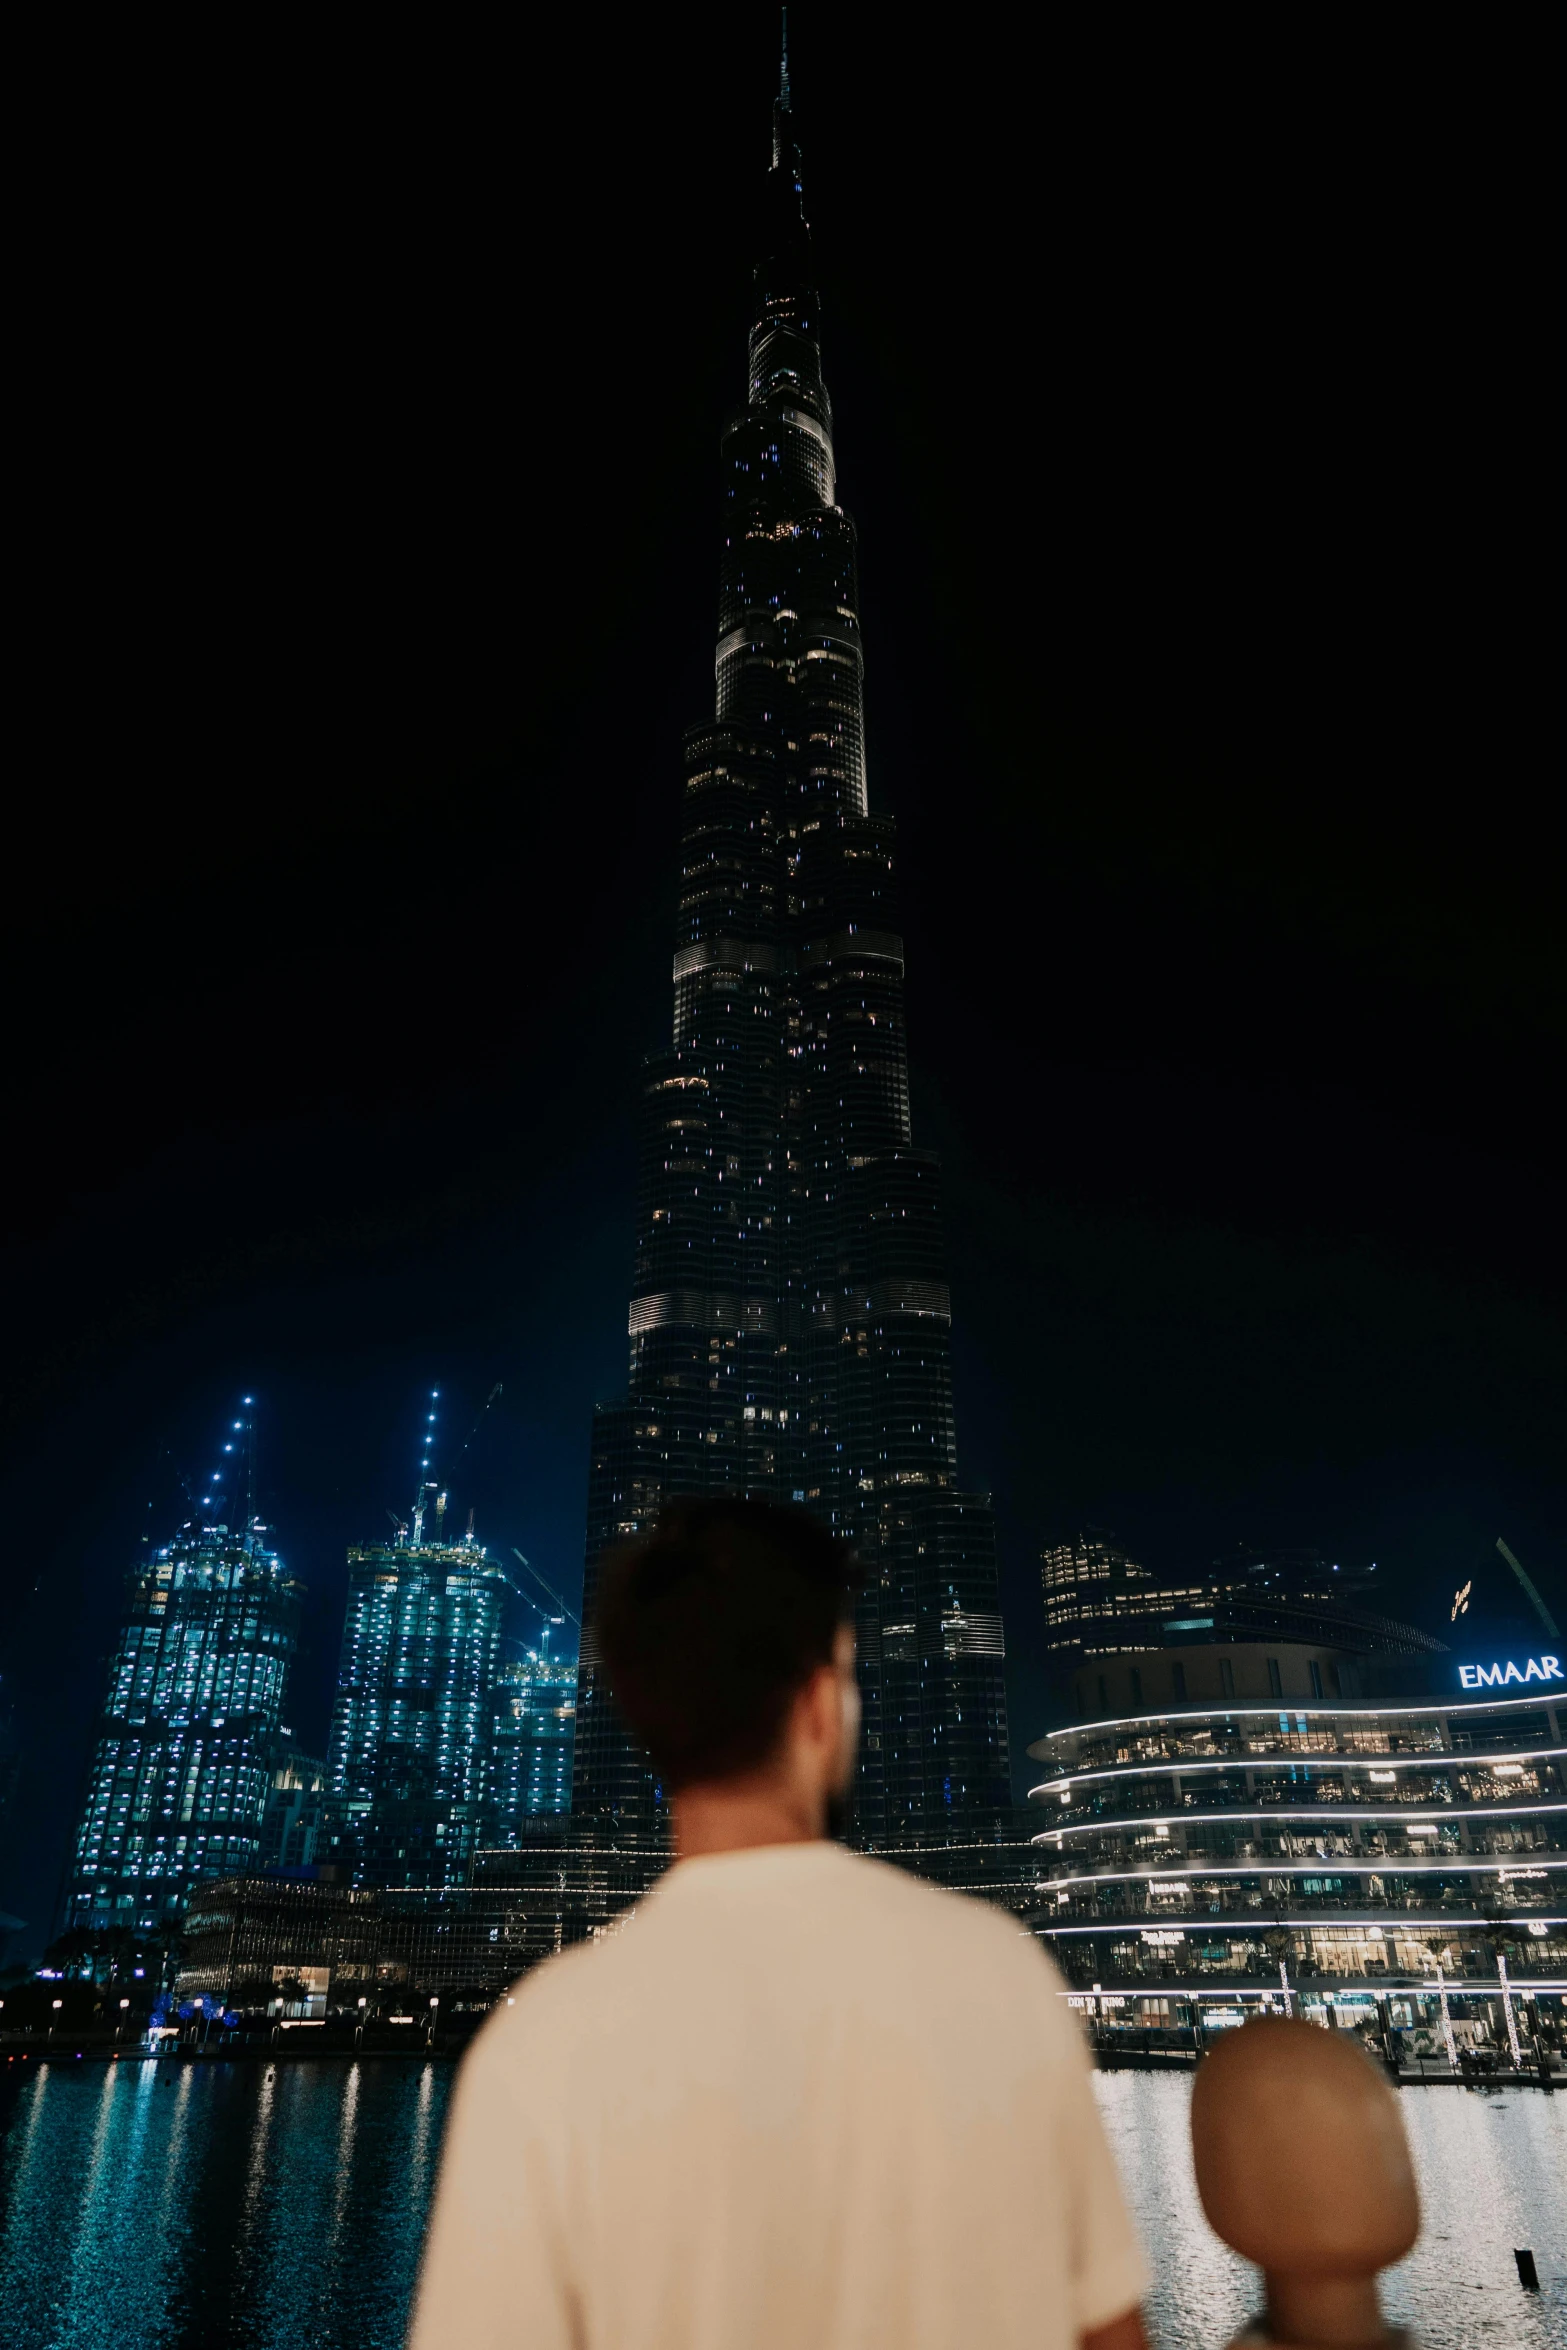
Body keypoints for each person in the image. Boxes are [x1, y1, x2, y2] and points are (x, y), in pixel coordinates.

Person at [410, 1499, 1149, 2350]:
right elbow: (1109, 2332)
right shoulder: (997, 1970)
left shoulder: (538, 2039)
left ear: (650, 1722)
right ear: (818, 1705)